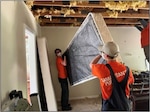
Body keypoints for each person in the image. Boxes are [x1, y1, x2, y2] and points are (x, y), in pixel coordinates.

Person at [89, 41, 134, 111]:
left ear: (105, 56)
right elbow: (131, 82)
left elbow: (91, 65)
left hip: (109, 106)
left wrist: (100, 55)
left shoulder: (102, 69)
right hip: (124, 105)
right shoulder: (127, 69)